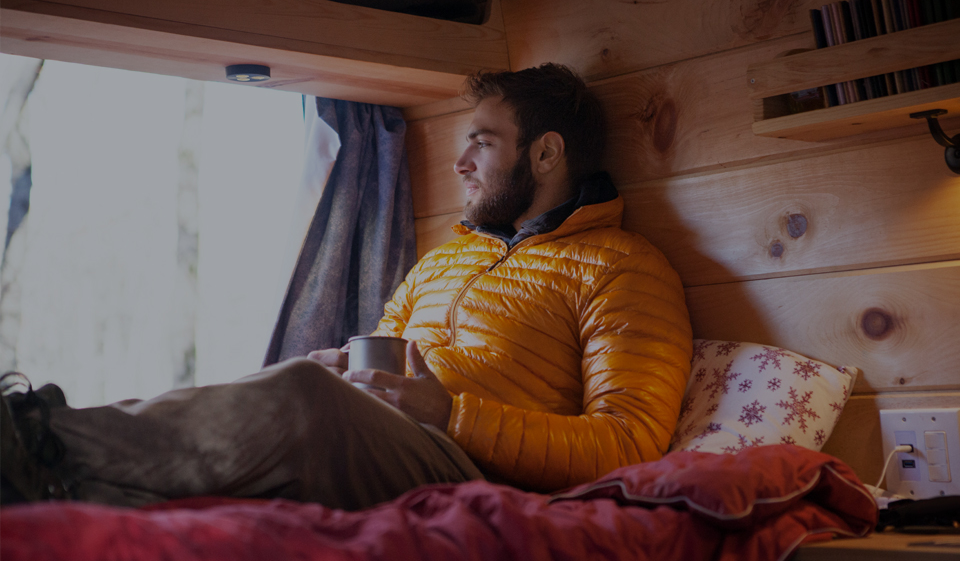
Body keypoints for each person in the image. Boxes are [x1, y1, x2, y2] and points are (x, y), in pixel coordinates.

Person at [1, 63, 692, 510]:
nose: (458, 162)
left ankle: (37, 438)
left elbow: (628, 445)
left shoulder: (622, 268)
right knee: (305, 377)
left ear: (546, 153)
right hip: (391, 435)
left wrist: (450, 414)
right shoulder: (443, 261)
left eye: (481, 142)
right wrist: (345, 368)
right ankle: (50, 474)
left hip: (476, 469)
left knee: (305, 398)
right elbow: (382, 353)